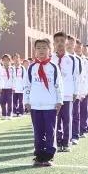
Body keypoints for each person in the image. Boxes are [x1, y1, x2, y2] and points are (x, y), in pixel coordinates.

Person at [24, 38, 62, 166]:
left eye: (44, 48)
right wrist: (27, 101)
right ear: (35, 51)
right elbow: (27, 85)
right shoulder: (31, 68)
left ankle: (49, 156)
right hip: (35, 105)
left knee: (50, 131)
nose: (41, 50)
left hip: (50, 105)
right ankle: (39, 156)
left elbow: (58, 85)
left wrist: (59, 101)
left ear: (49, 50)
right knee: (38, 132)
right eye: (38, 48)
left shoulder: (53, 67)